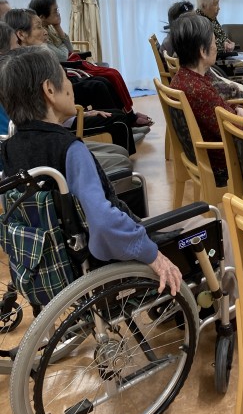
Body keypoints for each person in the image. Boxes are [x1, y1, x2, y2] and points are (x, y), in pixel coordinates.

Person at [0, 46, 181, 294]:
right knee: (209, 220)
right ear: (49, 90)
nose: (70, 85)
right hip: (97, 261)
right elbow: (104, 223)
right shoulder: (70, 150)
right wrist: (152, 254)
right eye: (65, 77)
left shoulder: (10, 149)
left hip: (53, 263)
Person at [4, 8, 139, 154]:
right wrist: (79, 113)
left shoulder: (35, 58)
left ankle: (127, 128)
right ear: (21, 34)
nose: (44, 31)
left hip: (59, 122)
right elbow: (47, 110)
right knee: (114, 115)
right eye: (39, 27)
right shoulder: (26, 70)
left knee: (106, 92)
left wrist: (82, 113)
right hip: (58, 129)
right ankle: (125, 137)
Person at [28, 0, 153, 128]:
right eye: (55, 11)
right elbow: (64, 55)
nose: (58, 13)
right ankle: (121, 123)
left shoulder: (50, 29)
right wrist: (61, 47)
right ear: (42, 17)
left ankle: (127, 117)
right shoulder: (39, 37)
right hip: (66, 72)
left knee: (110, 76)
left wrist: (58, 27)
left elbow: (68, 50)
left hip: (67, 68)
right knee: (103, 81)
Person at [170, 11, 243, 187]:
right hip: (225, 164)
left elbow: (219, 111)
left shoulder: (182, 78)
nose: (216, 47)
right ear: (202, 51)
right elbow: (237, 131)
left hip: (215, 151)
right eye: (214, 42)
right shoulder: (198, 90)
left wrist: (237, 110)